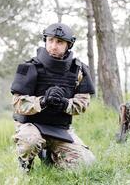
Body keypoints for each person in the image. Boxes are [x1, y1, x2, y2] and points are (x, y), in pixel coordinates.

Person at [10, 23, 96, 172]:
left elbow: (83, 103)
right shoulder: (29, 67)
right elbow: (17, 103)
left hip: (59, 129)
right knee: (30, 141)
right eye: (50, 40)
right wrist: (42, 101)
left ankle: (50, 157)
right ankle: (25, 166)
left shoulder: (78, 70)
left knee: (86, 164)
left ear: (68, 45)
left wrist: (64, 104)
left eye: (59, 42)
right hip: (32, 126)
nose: (53, 46)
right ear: (45, 41)